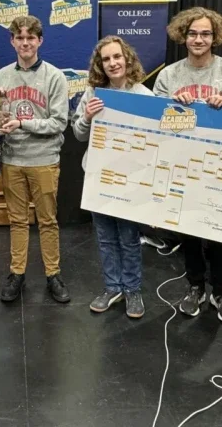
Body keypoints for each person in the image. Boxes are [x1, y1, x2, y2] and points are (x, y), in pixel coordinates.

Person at [153, 7, 222, 324]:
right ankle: (195, 287)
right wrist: (172, 106)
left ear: (215, 36)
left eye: (205, 33)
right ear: (184, 35)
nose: (199, 39)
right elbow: (155, 122)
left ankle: (220, 292)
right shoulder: (169, 75)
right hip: (183, 163)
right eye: (193, 33)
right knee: (191, 233)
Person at [72, 36, 152, 318]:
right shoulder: (93, 93)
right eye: (106, 59)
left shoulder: (144, 95)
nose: (112, 63)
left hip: (130, 179)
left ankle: (132, 290)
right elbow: (78, 134)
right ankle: (112, 287)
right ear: (100, 64)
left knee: (129, 238)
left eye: (117, 57)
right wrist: (87, 118)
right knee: (105, 237)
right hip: (98, 176)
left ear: (127, 59)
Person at [0, 15, 71, 304]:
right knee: (17, 220)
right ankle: (17, 273)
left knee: (47, 220)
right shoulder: (1, 75)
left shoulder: (54, 76)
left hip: (43, 159)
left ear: (40, 41)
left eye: (30, 38)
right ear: (12, 41)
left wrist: (22, 124)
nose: (25, 43)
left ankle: (53, 274)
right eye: (19, 38)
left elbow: (59, 123)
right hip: (12, 159)